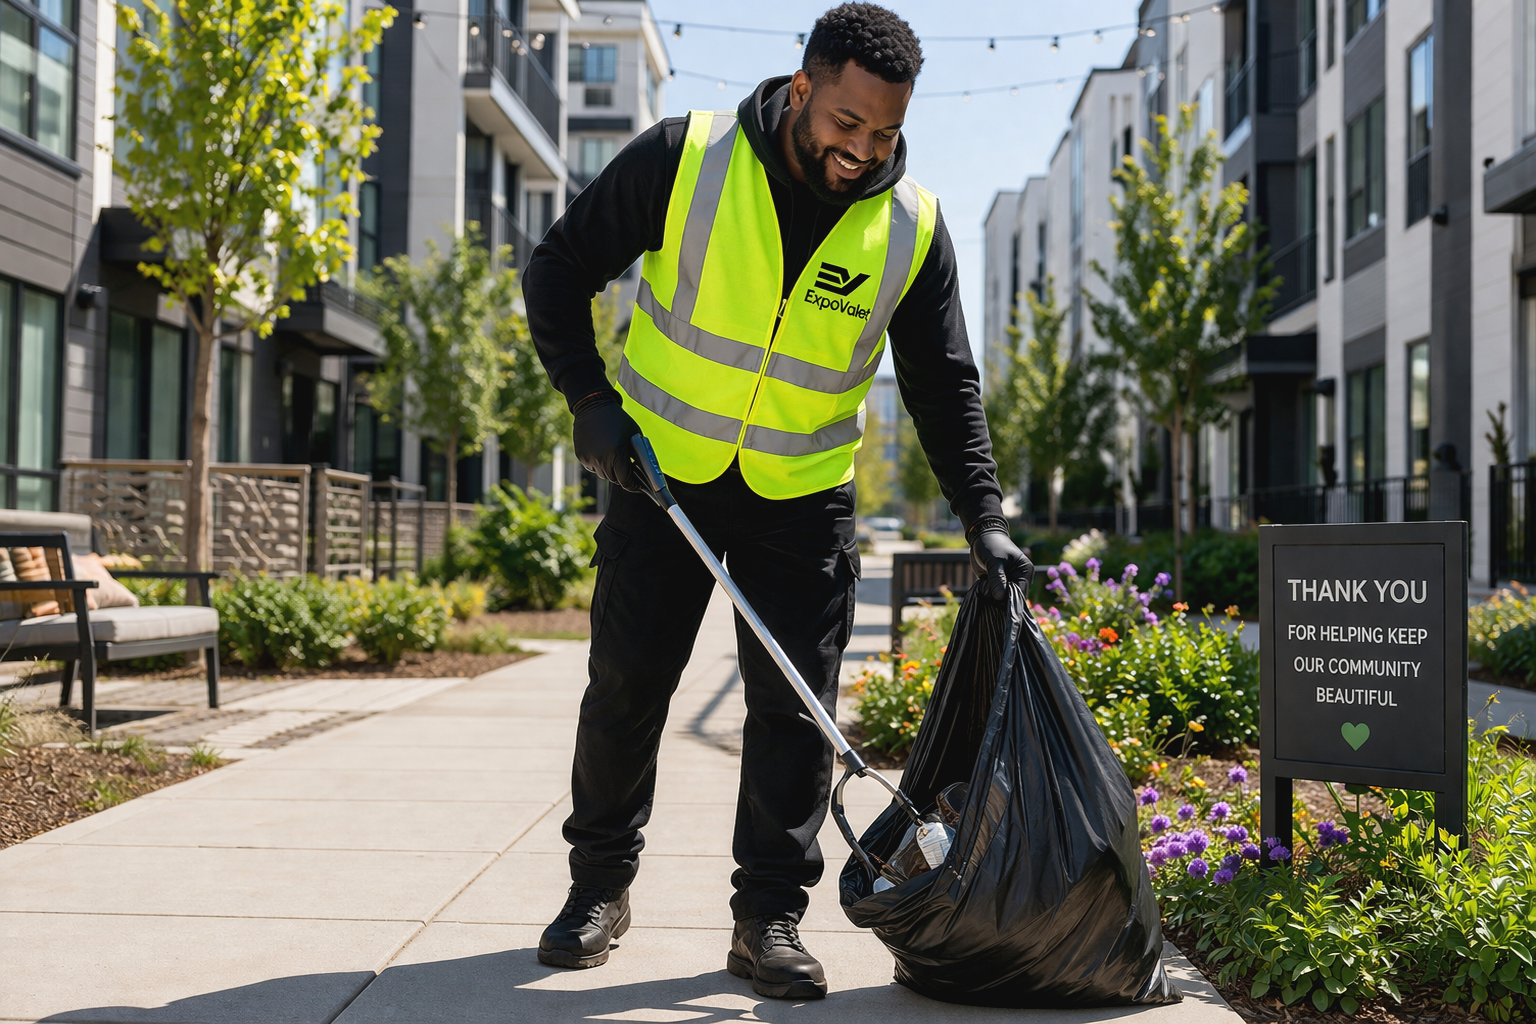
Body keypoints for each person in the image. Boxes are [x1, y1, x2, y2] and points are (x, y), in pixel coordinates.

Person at [524, 2, 1031, 1000]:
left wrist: (986, 515)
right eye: (848, 124)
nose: (864, 150)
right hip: (660, 477)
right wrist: (590, 400)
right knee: (626, 693)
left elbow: (944, 383)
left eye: (885, 133)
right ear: (803, 90)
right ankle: (598, 888)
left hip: (803, 495)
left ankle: (769, 919)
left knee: (794, 715)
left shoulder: (912, 229)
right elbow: (558, 269)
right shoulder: (687, 158)